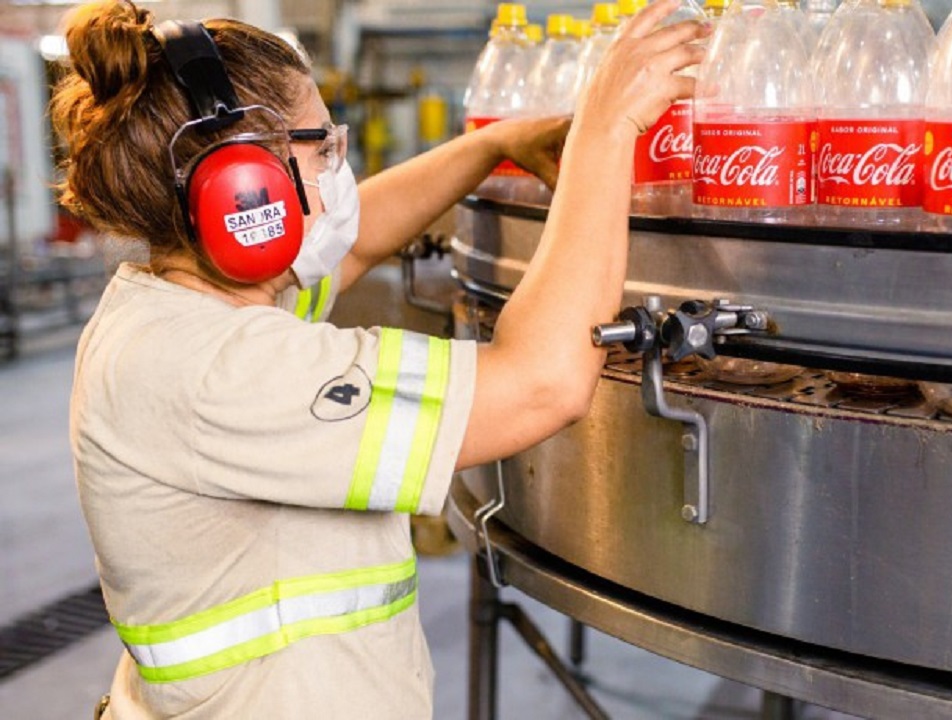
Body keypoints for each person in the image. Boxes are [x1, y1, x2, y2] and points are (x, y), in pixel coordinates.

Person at [52, 0, 707, 717]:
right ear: (243, 188)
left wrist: (498, 145)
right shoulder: (219, 369)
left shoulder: (180, 304)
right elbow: (538, 383)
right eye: (322, 148)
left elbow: (359, 239)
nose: (342, 166)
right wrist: (606, 135)